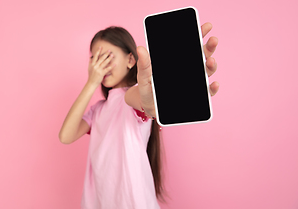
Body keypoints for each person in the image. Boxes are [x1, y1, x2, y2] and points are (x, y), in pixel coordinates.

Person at [59, 24, 219, 209]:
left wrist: (154, 99)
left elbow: (143, 99)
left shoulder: (129, 98)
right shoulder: (98, 110)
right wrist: (91, 82)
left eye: (107, 57)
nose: (100, 66)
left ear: (130, 60)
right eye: (95, 59)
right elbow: (66, 136)